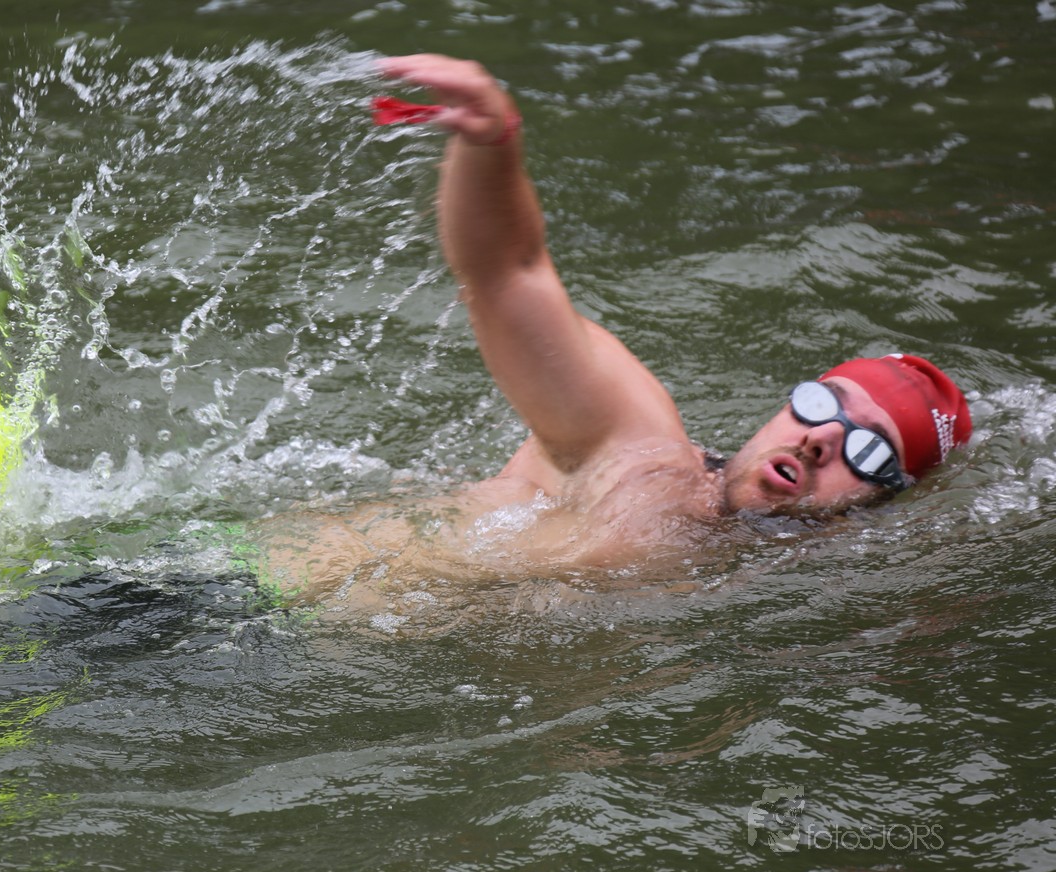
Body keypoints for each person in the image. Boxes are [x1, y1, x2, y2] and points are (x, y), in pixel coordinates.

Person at [251, 54, 972, 606]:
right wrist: (493, 142)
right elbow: (507, 274)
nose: (821, 439)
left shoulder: (743, 580)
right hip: (239, 603)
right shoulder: (637, 453)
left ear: (882, 503)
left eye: (869, 450)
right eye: (821, 405)